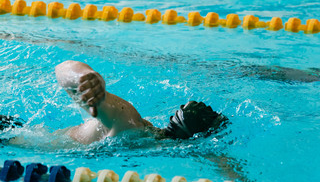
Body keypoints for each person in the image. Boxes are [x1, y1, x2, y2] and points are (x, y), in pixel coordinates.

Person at [1, 61, 228, 145]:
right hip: (9, 137)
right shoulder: (128, 122)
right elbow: (61, 68)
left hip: (22, 134)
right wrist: (87, 77)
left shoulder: (148, 137)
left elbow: (217, 159)